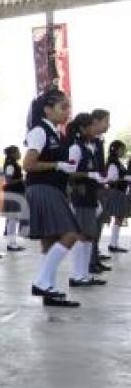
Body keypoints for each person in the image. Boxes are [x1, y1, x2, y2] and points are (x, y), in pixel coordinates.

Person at [21, 89, 81, 307]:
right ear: (47, 110)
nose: (67, 112)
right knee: (71, 234)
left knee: (50, 241)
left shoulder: (54, 131)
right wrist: (57, 164)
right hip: (42, 189)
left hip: (51, 188)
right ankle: (41, 282)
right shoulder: (39, 131)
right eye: (63, 107)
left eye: (68, 107)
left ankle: (50, 290)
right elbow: (27, 164)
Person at [65, 113, 108, 288]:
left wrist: (99, 179)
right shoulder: (76, 148)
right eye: (91, 126)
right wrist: (89, 174)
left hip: (90, 195)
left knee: (89, 236)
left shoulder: (90, 147)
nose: (94, 129)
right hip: (80, 196)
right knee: (81, 235)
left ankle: (85, 274)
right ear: (83, 128)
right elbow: (69, 172)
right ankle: (77, 276)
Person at [89, 109, 111, 272]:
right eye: (106, 121)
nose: (108, 124)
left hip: (99, 186)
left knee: (99, 225)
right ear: (95, 121)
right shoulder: (88, 141)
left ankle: (94, 257)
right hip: (90, 188)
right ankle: (90, 261)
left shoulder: (98, 140)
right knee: (91, 227)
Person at [104, 141, 129, 252]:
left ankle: (114, 243)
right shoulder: (113, 163)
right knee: (118, 217)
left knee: (119, 218)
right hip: (116, 192)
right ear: (116, 150)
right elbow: (110, 179)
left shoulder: (117, 162)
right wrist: (125, 179)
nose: (123, 151)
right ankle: (113, 244)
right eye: (121, 149)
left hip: (119, 192)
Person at [1, 145, 26, 252]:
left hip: (15, 193)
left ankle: (12, 242)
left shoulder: (12, 163)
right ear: (13, 153)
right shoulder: (11, 164)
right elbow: (8, 180)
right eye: (18, 151)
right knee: (12, 219)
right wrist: (21, 179)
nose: (19, 154)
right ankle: (11, 243)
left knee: (13, 219)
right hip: (13, 193)